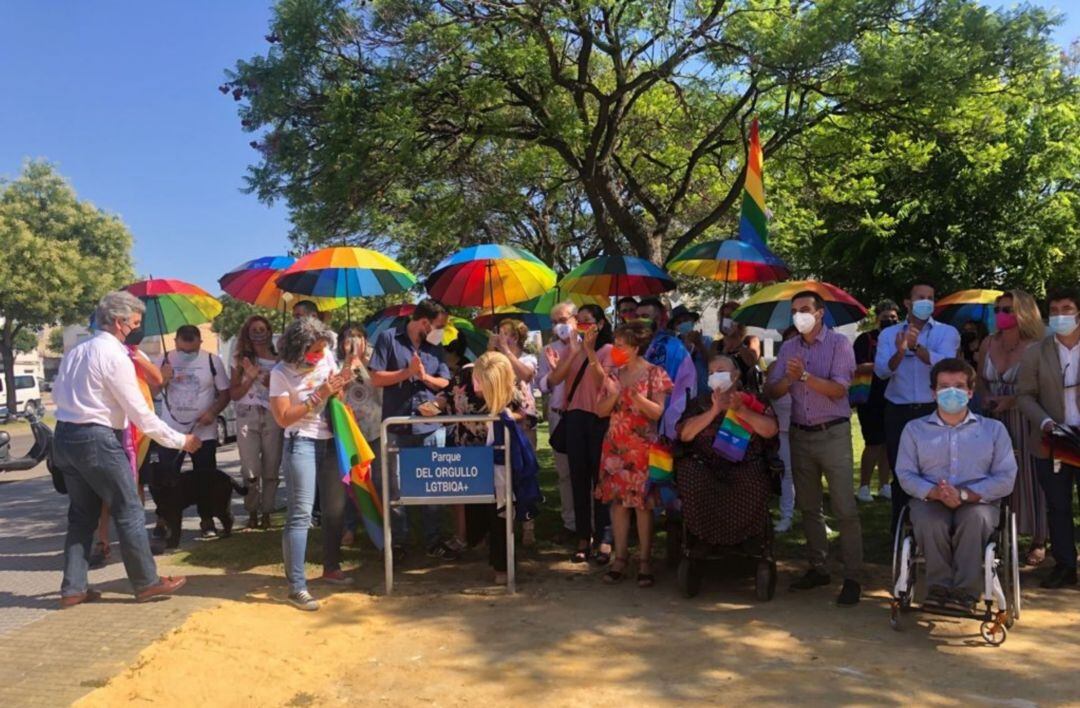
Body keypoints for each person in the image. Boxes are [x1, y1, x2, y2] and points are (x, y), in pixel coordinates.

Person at [52, 291, 198, 608]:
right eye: (134, 322)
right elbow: (141, 415)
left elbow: (58, 394)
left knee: (81, 516)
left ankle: (73, 588)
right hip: (96, 438)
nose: (136, 328)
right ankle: (146, 582)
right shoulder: (115, 355)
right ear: (119, 322)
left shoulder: (77, 350)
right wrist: (181, 440)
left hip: (64, 437)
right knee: (129, 508)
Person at [765, 290, 863, 606]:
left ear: (820, 312)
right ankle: (818, 567)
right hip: (799, 433)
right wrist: (788, 380)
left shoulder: (839, 345)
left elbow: (838, 390)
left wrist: (804, 376)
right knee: (809, 506)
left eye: (805, 309)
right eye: (794, 310)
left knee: (844, 507)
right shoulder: (789, 347)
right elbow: (772, 389)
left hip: (832, 433)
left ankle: (852, 576)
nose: (799, 315)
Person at [896, 358, 1017, 612]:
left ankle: (965, 592)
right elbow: (905, 474)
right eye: (944, 386)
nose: (952, 391)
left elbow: (1006, 476)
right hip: (930, 499)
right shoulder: (914, 430)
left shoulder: (994, 430)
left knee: (975, 520)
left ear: (970, 392)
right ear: (933, 392)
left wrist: (965, 495)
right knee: (930, 521)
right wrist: (935, 493)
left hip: (978, 501)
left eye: (959, 386)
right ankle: (938, 587)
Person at [269, 317, 353, 611]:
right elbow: (283, 418)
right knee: (301, 514)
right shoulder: (280, 372)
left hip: (331, 440)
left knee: (335, 509)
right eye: (313, 351)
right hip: (300, 442)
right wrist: (320, 394)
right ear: (297, 349)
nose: (318, 356)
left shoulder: (327, 356)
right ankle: (297, 586)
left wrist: (341, 383)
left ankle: (331, 567)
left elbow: (338, 396)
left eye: (321, 350)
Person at [368, 298, 457, 560]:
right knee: (394, 488)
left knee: (432, 485)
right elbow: (375, 378)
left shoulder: (435, 347)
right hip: (397, 425)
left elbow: (445, 382)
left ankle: (433, 540)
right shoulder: (389, 339)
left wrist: (425, 378)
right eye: (439, 325)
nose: (442, 330)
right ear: (423, 322)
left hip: (430, 427)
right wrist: (406, 373)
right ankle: (399, 542)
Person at [874, 282, 961, 530]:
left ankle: (941, 526)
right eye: (920, 297)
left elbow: (948, 367)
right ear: (907, 303)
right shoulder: (889, 335)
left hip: (934, 410)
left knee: (938, 468)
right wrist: (900, 352)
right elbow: (881, 371)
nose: (926, 302)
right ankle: (901, 527)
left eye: (931, 297)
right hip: (898, 410)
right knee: (902, 471)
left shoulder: (947, 333)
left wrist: (917, 348)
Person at [595, 322, 673, 587]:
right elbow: (600, 411)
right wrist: (614, 395)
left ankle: (645, 561)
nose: (615, 349)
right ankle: (619, 558)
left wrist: (639, 399)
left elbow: (658, 412)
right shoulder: (613, 375)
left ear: (635, 347)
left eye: (620, 345)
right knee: (617, 504)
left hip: (642, 448)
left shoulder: (655, 374)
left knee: (642, 506)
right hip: (615, 446)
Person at [677, 353, 779, 549]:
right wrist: (714, 411)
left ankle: (745, 539)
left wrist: (741, 411)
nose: (715, 376)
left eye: (721, 372)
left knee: (754, 480)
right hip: (705, 466)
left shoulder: (753, 399)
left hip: (746, 465)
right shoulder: (700, 403)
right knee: (690, 475)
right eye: (711, 373)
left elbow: (770, 430)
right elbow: (685, 435)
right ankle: (703, 538)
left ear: (735, 375)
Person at [976, 290, 1047, 566]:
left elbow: (1043, 386)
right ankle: (999, 531)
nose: (1001, 315)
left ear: (1024, 312)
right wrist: (985, 397)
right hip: (993, 417)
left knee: (1029, 475)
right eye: (998, 310)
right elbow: (981, 377)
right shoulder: (988, 343)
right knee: (994, 472)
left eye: (1007, 309)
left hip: (1025, 416)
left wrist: (1013, 400)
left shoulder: (1038, 345)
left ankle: (1039, 538)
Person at [1017, 287, 1080, 589]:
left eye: (1066, 309)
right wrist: (1044, 422)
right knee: (1058, 505)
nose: (1060, 316)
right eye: (1054, 311)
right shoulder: (1036, 352)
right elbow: (1024, 395)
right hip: (1053, 438)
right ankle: (1065, 565)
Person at [547, 303, 615, 563]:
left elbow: (607, 386)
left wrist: (590, 352)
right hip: (574, 418)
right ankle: (583, 537)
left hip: (599, 419)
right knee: (578, 479)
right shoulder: (571, 350)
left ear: (600, 324)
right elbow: (554, 381)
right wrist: (576, 351)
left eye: (589, 321)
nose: (584, 326)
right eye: (581, 321)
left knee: (601, 481)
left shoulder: (610, 352)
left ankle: (605, 538)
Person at [157, 325, 231, 539]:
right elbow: (150, 391)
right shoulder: (164, 360)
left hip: (203, 432)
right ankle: (164, 521)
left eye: (192, 350)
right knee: (166, 479)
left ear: (200, 342)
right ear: (175, 343)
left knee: (205, 479)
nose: (187, 354)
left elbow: (225, 394)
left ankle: (207, 520)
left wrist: (213, 412)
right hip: (170, 431)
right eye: (182, 350)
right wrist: (162, 378)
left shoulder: (211, 360)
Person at [463, 351, 531, 584]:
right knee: (485, 518)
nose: (474, 383)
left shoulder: (509, 401)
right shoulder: (479, 403)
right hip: (478, 468)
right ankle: (495, 560)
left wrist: (511, 417)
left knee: (501, 519)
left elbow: (527, 416)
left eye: (479, 379)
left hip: (502, 471)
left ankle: (503, 567)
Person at [229, 315, 282, 531]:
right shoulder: (239, 360)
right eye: (254, 330)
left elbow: (280, 388)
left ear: (269, 332)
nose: (259, 334)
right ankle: (252, 512)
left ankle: (267, 513)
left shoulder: (279, 360)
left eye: (263, 329)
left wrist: (260, 375)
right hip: (246, 415)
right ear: (247, 333)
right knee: (250, 469)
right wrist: (249, 376)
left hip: (272, 415)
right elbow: (234, 393)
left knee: (271, 467)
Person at [337, 323, 383, 548]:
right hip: (350, 431)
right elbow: (337, 392)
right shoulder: (338, 365)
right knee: (350, 484)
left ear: (366, 340)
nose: (354, 343)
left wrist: (362, 363)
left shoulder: (376, 361)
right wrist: (348, 362)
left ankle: (380, 527)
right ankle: (349, 528)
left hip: (374, 429)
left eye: (358, 338)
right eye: (348, 338)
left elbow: (378, 385)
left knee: (378, 481)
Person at [537, 301, 578, 542]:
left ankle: (591, 523)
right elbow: (543, 384)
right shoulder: (548, 350)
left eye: (562, 320)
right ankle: (570, 523)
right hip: (558, 417)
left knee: (588, 473)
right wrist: (554, 371)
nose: (558, 326)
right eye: (553, 322)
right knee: (564, 474)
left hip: (583, 416)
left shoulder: (588, 347)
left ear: (575, 320)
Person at [853, 301, 900, 503]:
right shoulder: (866, 339)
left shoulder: (901, 339)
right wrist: (883, 363)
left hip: (894, 396)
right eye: (885, 318)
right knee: (873, 443)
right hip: (870, 397)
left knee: (888, 444)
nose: (889, 321)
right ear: (876, 319)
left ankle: (884, 485)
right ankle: (864, 486)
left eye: (893, 318)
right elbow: (856, 366)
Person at [636, 297, 696, 441]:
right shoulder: (632, 346)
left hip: (661, 423)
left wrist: (669, 424)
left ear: (657, 320)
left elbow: (686, 388)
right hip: (632, 423)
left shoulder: (675, 347)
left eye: (645, 317)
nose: (639, 321)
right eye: (637, 317)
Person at [765, 326, 798, 533]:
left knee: (810, 474)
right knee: (787, 474)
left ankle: (817, 516)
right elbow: (770, 392)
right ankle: (787, 514)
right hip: (784, 430)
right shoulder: (776, 367)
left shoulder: (812, 365)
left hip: (808, 428)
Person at [670, 305, 713, 398]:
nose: (683, 324)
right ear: (675, 327)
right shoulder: (673, 346)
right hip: (682, 398)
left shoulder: (707, 341)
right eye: (679, 322)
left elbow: (713, 363)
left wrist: (700, 345)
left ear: (692, 321)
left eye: (686, 320)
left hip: (706, 393)